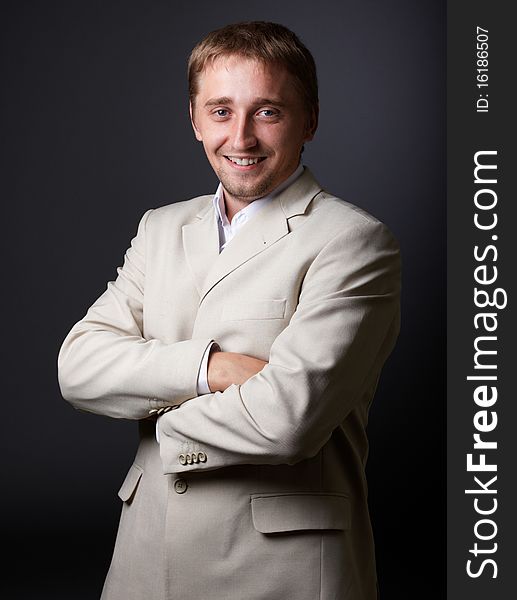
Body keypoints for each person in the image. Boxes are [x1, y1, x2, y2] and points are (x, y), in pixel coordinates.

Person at [58, 21, 401, 600]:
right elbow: (78, 367)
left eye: (267, 111)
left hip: (279, 570)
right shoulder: (160, 227)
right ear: (194, 119)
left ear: (309, 120)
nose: (240, 137)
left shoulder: (353, 241)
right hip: (147, 559)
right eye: (220, 111)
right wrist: (209, 369)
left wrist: (154, 420)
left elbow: (288, 420)